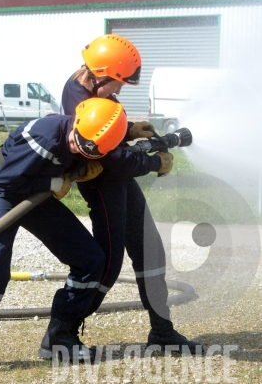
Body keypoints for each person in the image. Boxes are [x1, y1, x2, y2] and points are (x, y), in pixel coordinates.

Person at [47, 34, 203, 356]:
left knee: (150, 252)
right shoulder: (79, 96)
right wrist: (152, 162)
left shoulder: (92, 85)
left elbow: (109, 130)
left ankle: (162, 331)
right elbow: (111, 159)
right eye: (116, 84)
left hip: (117, 179)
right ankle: (61, 333)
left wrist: (130, 129)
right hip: (103, 182)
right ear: (99, 73)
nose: (118, 92)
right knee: (108, 263)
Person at [0, 98, 128, 370]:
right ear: (77, 120)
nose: (75, 146)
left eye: (86, 149)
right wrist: (54, 181)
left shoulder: (93, 134)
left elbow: (111, 152)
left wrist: (136, 138)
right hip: (3, 190)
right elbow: (8, 179)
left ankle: (60, 337)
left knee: (90, 258)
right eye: (76, 140)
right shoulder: (44, 136)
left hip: (36, 194)